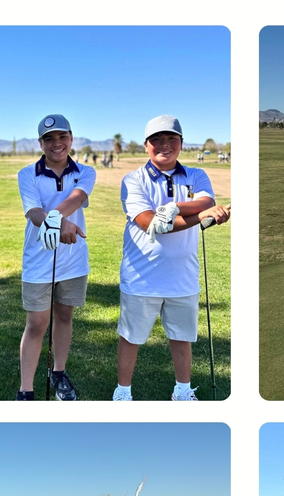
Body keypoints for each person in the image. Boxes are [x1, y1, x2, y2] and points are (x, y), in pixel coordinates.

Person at [113, 114, 230, 401]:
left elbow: (207, 201)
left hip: (183, 276)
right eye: (157, 140)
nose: (164, 145)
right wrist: (198, 216)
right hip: (142, 275)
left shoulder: (196, 175)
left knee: (182, 337)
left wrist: (174, 207)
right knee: (131, 337)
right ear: (146, 145)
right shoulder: (133, 179)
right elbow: (150, 223)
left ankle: (182, 391)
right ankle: (123, 392)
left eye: (171, 139)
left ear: (180, 142)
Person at [16, 114, 95, 401]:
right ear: (41, 143)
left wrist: (55, 220)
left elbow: (76, 197)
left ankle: (58, 372)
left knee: (64, 317)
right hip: (38, 260)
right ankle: (26, 389)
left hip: (73, 260)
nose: (57, 143)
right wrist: (59, 224)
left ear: (71, 138)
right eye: (49, 139)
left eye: (62, 137)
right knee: (37, 323)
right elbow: (33, 212)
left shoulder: (86, 171)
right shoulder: (27, 174)